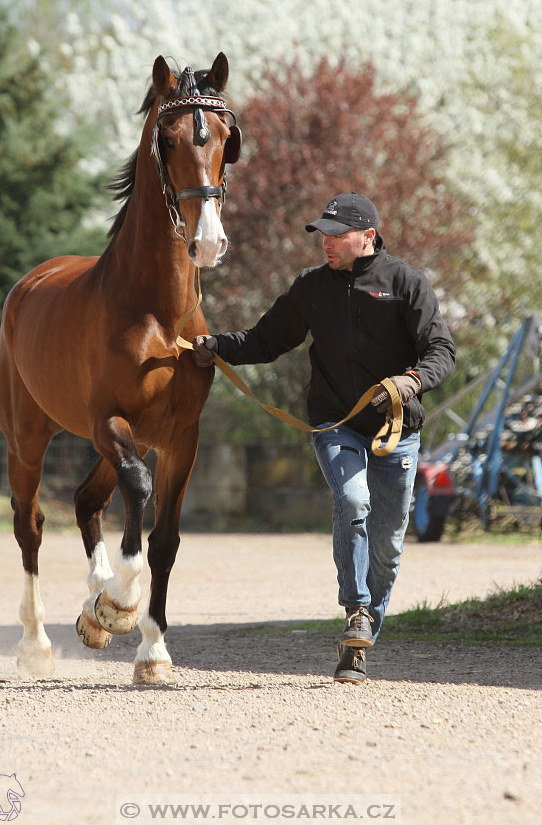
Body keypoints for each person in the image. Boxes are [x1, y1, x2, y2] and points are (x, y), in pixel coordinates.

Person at [193, 192, 456, 684]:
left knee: (389, 545)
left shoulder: (406, 283)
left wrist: (412, 380)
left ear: (367, 237)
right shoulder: (311, 288)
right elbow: (266, 341)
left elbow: (441, 349)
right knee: (353, 501)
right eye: (323, 236)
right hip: (336, 424)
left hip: (398, 433)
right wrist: (217, 347)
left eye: (336, 236)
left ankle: (359, 643)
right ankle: (356, 610)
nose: (326, 245)